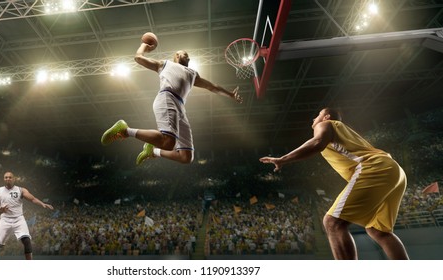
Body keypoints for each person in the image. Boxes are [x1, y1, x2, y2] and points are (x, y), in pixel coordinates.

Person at [259, 107, 409, 260]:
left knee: (332, 223)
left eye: (318, 115)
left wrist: (284, 159)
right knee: (379, 232)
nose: (314, 119)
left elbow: (317, 142)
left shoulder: (326, 124)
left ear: (327, 117)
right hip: (395, 172)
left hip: (374, 168)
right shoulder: (342, 131)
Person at [101, 39, 243, 165]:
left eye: (188, 56)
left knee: (186, 157)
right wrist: (144, 45)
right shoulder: (165, 64)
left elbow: (212, 86)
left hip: (180, 107)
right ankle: (125, 130)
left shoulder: (193, 74)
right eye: (184, 54)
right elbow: (138, 58)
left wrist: (230, 94)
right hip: (167, 98)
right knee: (168, 142)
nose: (188, 57)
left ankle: (153, 151)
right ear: (176, 56)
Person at [0, 171, 54, 260]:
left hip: (18, 219)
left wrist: (42, 204)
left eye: (10, 177)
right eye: (6, 177)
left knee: (27, 240)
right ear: (4, 179)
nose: (8, 179)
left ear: (14, 179)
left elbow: (33, 199)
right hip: (5, 219)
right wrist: (1, 210)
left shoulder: (21, 190)